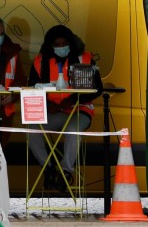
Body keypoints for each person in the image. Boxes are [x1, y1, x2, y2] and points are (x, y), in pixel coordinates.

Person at [27, 24, 103, 189]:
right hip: (53, 111)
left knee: (71, 131)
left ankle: (65, 172)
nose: (61, 47)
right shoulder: (40, 61)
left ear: (71, 43)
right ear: (50, 45)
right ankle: (48, 169)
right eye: (57, 45)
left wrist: (73, 100)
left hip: (79, 110)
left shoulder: (85, 59)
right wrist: (47, 104)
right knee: (32, 131)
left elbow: (98, 89)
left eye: (64, 44)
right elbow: (31, 88)